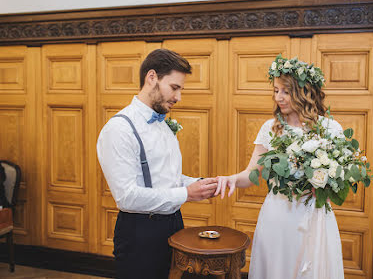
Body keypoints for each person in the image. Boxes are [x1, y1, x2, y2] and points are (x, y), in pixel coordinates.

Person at [215, 56, 345, 279]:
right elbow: (253, 173)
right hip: (277, 215)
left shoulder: (329, 129)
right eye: (276, 91)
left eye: (285, 91)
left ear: (303, 91)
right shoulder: (270, 128)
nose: (279, 98)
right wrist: (233, 179)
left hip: (313, 216)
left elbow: (338, 180)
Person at [97, 49, 218, 279]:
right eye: (174, 87)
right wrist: (186, 193)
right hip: (140, 233)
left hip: (173, 225)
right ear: (151, 77)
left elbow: (167, 178)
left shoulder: (163, 125)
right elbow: (126, 197)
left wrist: (200, 185)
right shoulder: (119, 129)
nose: (178, 97)